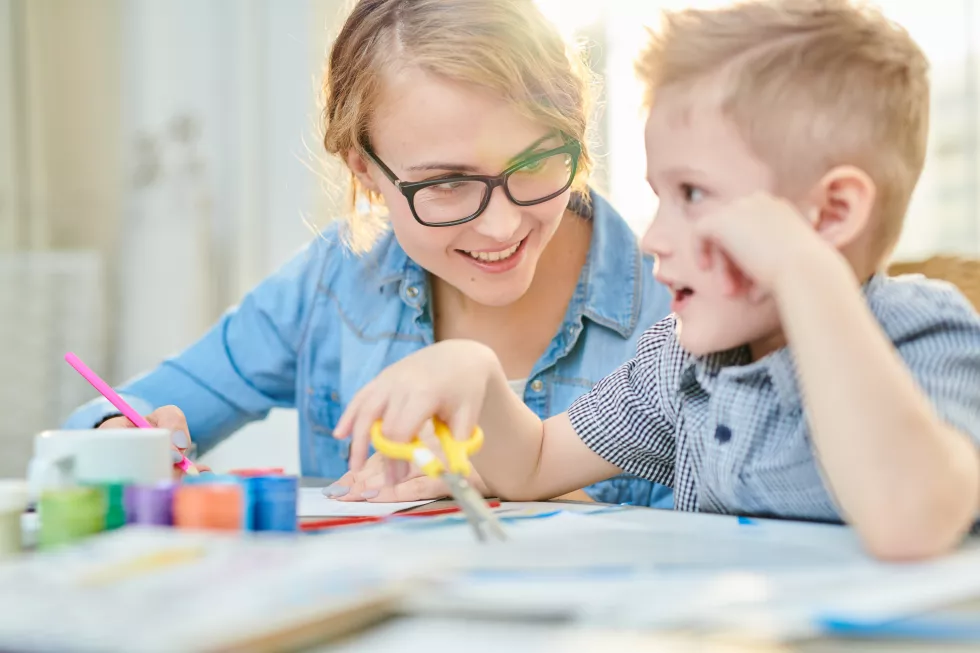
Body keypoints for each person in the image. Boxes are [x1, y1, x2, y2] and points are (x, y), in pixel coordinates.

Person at [335, 0, 980, 560]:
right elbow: (532, 464)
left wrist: (805, 270)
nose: (652, 239)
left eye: (693, 195)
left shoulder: (925, 335)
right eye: (659, 198)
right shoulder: (684, 362)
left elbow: (911, 523)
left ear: (832, 214)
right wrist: (472, 370)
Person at [63, 0, 674, 507]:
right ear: (366, 171)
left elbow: (731, 552)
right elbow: (110, 416)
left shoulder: (680, 310)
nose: (501, 223)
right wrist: (118, 439)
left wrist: (529, 490)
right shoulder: (333, 283)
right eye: (445, 183)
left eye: (535, 162)